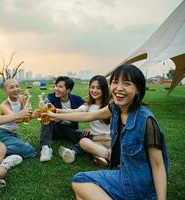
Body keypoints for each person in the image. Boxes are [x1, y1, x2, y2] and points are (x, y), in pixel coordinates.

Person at [46, 65, 168, 200]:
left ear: (138, 89)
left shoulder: (146, 120)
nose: (119, 88)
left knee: (80, 182)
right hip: (124, 174)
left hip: (139, 184)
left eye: (127, 84)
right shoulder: (115, 108)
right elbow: (86, 116)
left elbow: (158, 165)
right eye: (115, 82)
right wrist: (55, 115)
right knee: (80, 188)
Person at [57, 75, 111, 166]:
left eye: (98, 88)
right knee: (83, 142)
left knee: (89, 144)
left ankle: (104, 156)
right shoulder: (89, 104)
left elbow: (86, 116)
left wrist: (57, 114)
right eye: (92, 87)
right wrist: (58, 111)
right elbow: (75, 111)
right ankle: (103, 157)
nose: (94, 91)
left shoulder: (110, 105)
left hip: (111, 139)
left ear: (104, 89)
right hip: (96, 139)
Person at [39, 76, 84, 162]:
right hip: (56, 129)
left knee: (86, 136)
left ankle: (71, 151)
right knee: (46, 118)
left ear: (68, 90)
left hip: (71, 130)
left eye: (60, 87)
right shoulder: (51, 98)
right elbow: (48, 112)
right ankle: (45, 148)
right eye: (56, 86)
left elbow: (88, 110)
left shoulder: (77, 99)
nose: (56, 89)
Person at [0, 79, 37, 159]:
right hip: (2, 134)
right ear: (5, 91)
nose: (16, 89)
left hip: (13, 134)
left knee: (26, 149)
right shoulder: (5, 105)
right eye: (12, 87)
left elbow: (25, 112)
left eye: (17, 86)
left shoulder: (20, 98)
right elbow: (15, 119)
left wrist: (26, 100)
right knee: (30, 151)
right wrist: (33, 116)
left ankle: (4, 149)